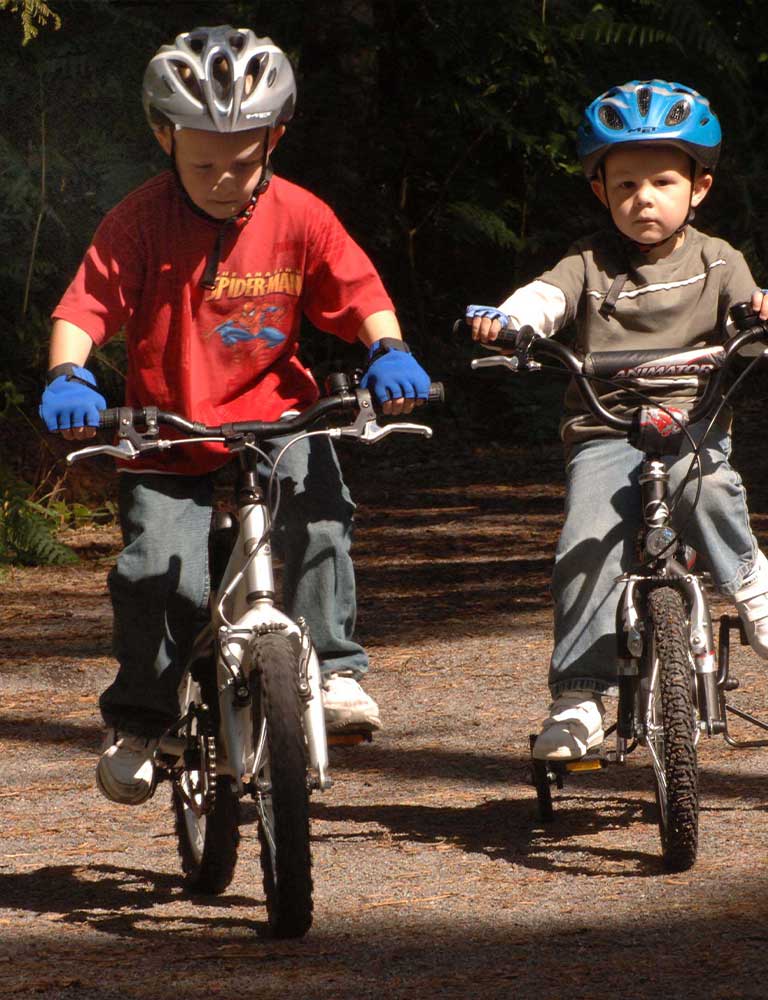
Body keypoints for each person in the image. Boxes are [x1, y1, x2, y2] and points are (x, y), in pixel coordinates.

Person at [40, 26, 431, 805]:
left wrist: (389, 350)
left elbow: (358, 291)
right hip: (168, 431)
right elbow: (85, 305)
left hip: (279, 420)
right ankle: (142, 719)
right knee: (157, 572)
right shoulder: (140, 221)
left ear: (274, 138)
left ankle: (335, 672)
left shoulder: (300, 215)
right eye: (203, 163)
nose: (223, 179)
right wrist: (67, 373)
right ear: (165, 138)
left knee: (319, 522)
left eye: (243, 161)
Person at [466, 79, 768, 761]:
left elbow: (749, 318)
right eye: (626, 184)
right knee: (587, 542)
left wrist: (760, 314)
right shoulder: (588, 263)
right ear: (600, 191)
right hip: (605, 429)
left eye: (663, 181)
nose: (644, 198)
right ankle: (578, 696)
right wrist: (508, 321)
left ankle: (752, 585)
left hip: (692, 420)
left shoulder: (719, 260)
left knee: (706, 485)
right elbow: (544, 299)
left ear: (700, 188)